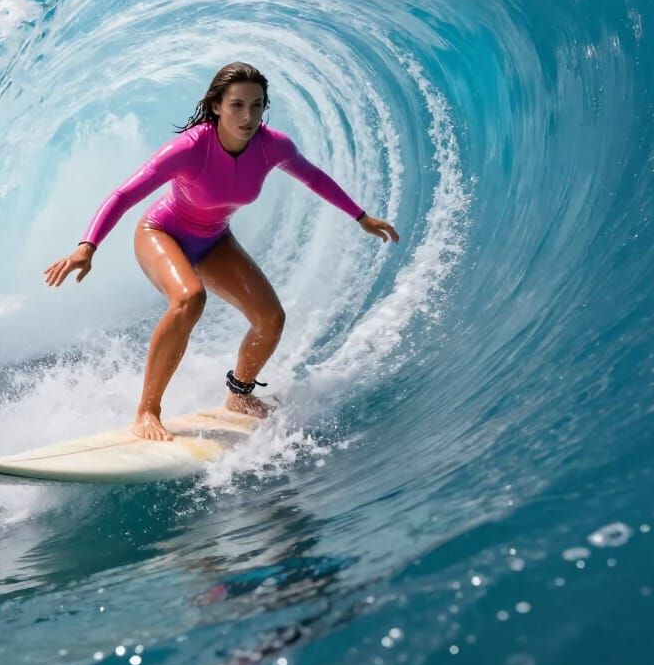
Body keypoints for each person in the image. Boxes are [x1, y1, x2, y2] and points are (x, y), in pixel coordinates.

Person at [44, 62, 399, 441]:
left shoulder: (272, 146)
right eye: (237, 105)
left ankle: (239, 396)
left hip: (214, 239)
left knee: (270, 318)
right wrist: (87, 246)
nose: (248, 116)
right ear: (216, 106)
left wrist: (360, 216)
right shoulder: (189, 148)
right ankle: (147, 410)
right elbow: (124, 194)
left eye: (257, 105)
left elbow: (313, 177)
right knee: (189, 298)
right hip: (161, 232)